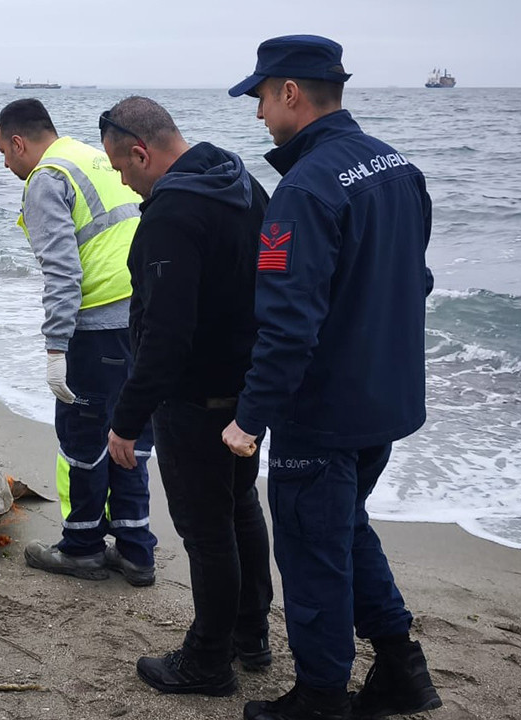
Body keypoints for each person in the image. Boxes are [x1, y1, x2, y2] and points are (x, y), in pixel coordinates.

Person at [221, 36, 443, 720]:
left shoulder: (307, 188)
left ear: (291, 92)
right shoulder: (398, 166)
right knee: (344, 526)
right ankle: (403, 671)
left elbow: (287, 324)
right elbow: (418, 279)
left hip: (323, 409)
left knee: (313, 548)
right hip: (388, 397)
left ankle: (319, 697)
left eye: (261, 95)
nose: (257, 112)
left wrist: (249, 417)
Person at [97, 96, 275, 697]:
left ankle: (208, 661)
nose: (123, 180)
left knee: (206, 531)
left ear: (141, 152)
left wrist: (127, 419)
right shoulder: (239, 179)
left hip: (195, 398)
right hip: (245, 390)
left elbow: (166, 335)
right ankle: (252, 635)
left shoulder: (172, 215)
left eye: (122, 169)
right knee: (240, 508)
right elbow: (275, 268)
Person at [0, 98, 158, 584]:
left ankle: (82, 546)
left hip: (96, 328)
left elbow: (62, 272)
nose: (7, 165)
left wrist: (56, 348)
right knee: (128, 436)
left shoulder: (47, 178)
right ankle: (136, 552)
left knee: (82, 440)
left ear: (20, 142)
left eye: (5, 152)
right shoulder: (91, 157)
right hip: (142, 317)